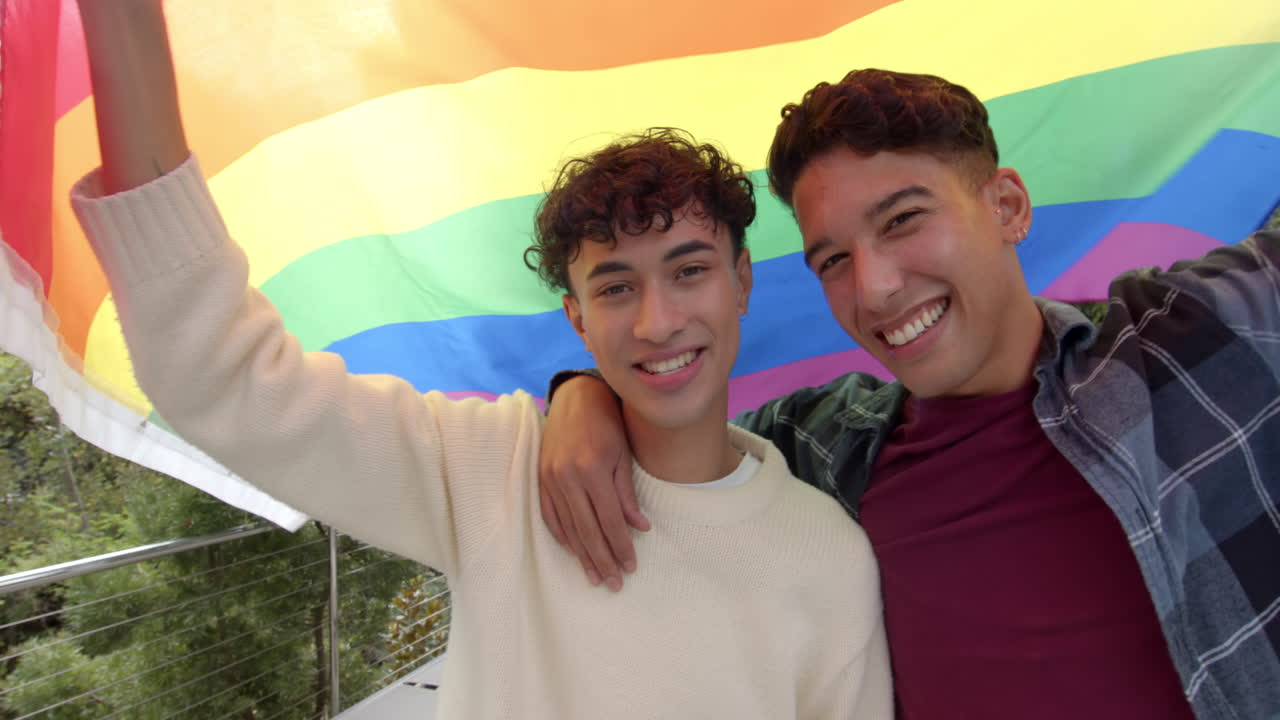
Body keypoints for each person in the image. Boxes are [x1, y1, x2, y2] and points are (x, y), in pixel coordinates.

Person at [70, 3, 892, 718]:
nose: (658, 321)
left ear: (741, 281)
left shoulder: (827, 557)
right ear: (575, 318)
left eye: (689, 270)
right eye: (614, 288)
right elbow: (218, 377)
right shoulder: (490, 473)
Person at [540, 69, 1280, 719]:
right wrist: (586, 397)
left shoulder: (1190, 342)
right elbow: (683, 425)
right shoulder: (826, 447)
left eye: (902, 220)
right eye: (833, 259)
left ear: (1008, 206)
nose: (876, 287)